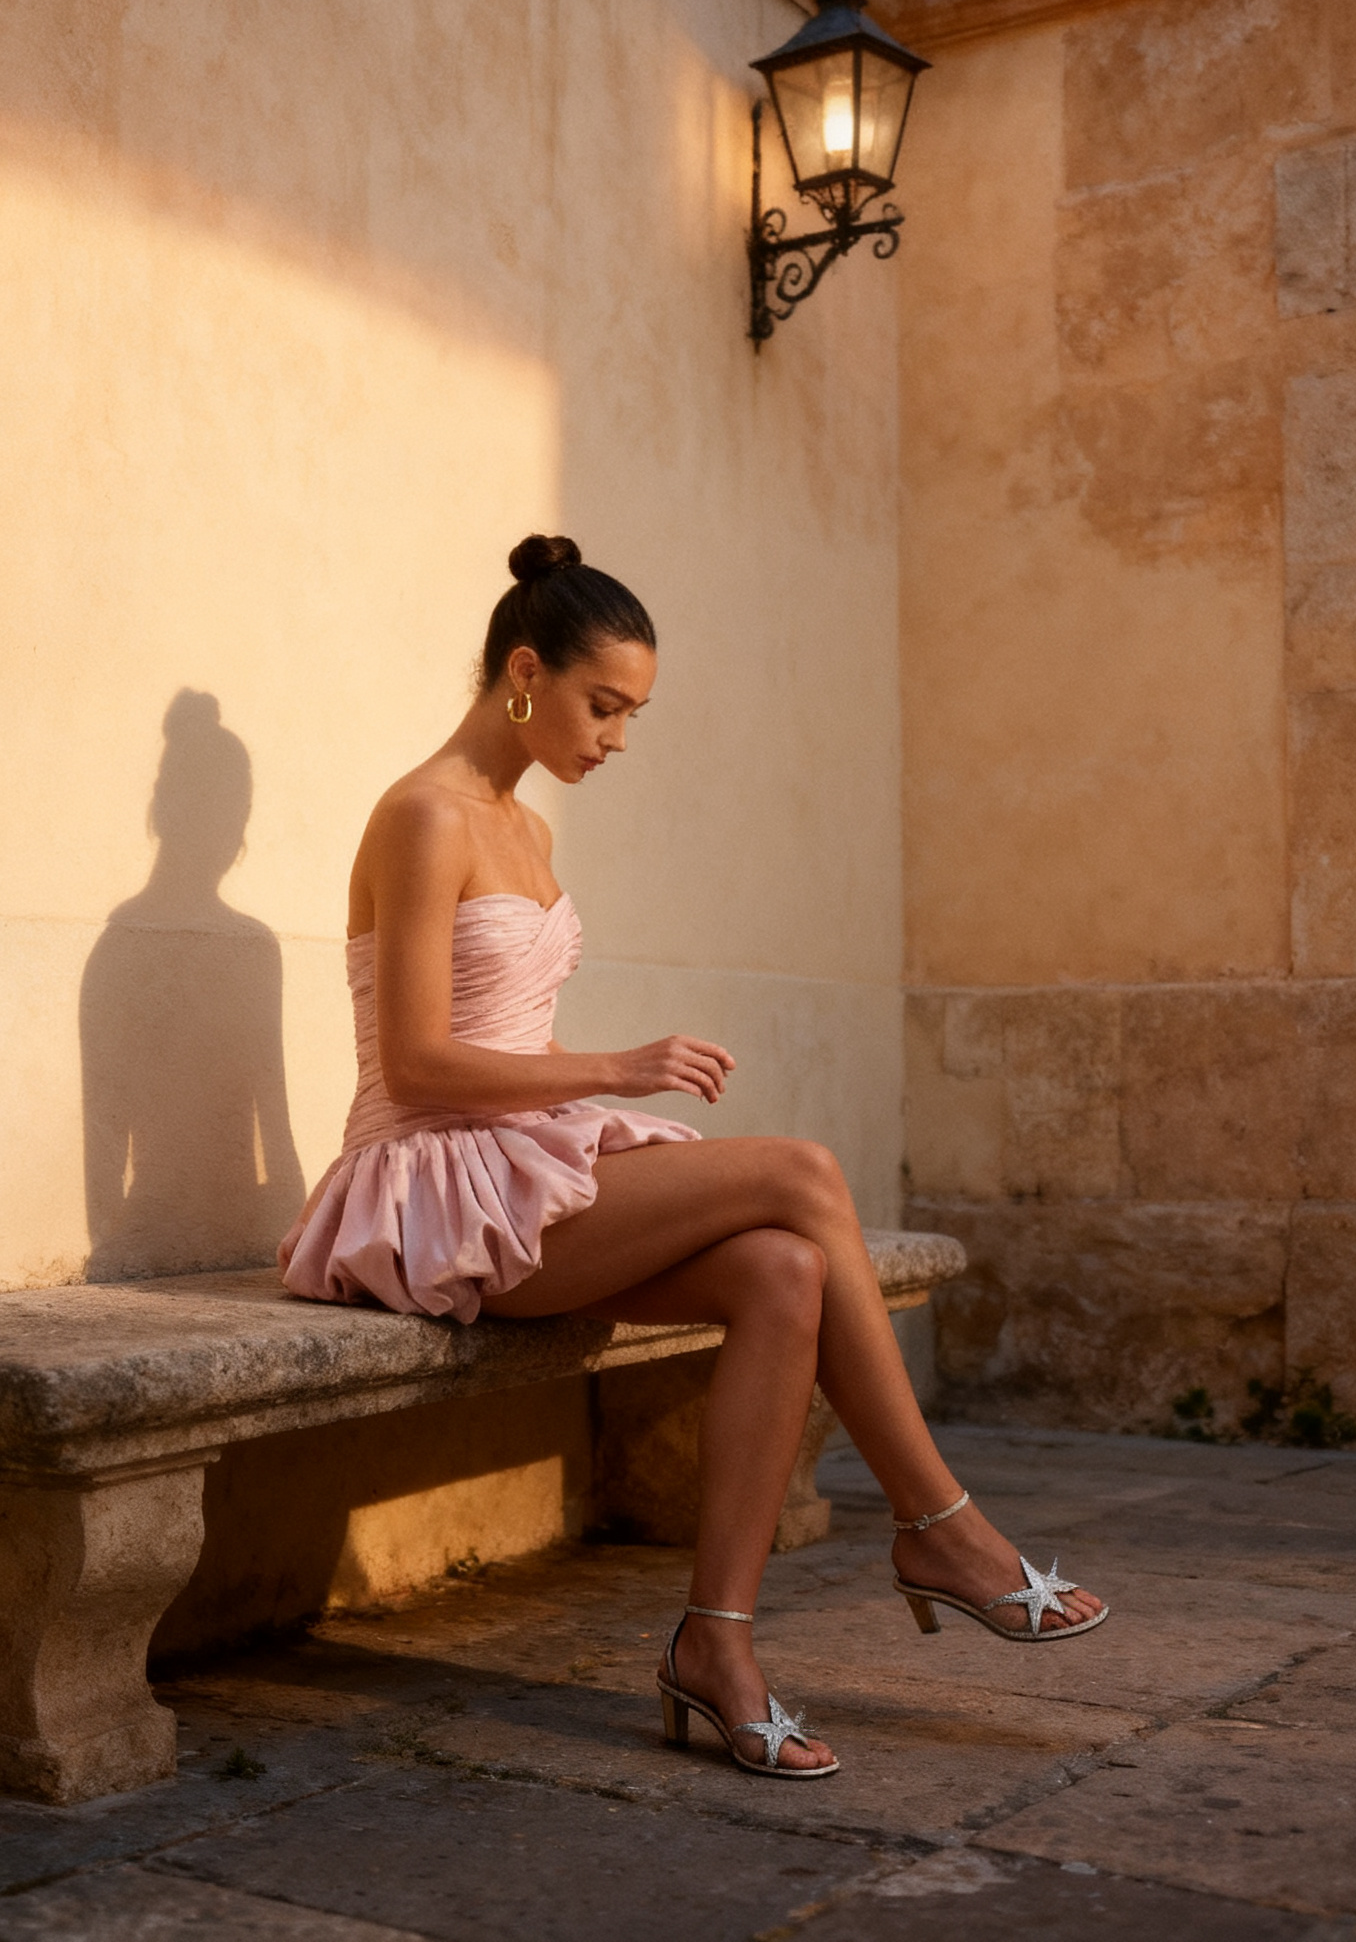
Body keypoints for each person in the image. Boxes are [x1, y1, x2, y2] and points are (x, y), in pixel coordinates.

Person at [279, 535, 1106, 1780]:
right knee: (801, 1172)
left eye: (631, 714)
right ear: (522, 672)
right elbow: (416, 1067)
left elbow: (511, 1035)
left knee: (781, 1270)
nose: (616, 737)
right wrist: (614, 1071)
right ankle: (940, 1525)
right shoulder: (420, 815)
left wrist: (579, 1104)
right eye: (602, 705)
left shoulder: (525, 830)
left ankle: (714, 1646)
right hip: (427, 1187)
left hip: (515, 1164)